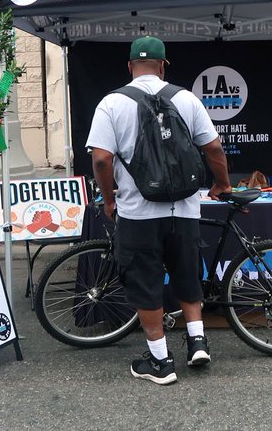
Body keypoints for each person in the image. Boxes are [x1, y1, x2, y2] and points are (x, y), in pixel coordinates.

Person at [86, 36, 231, 386]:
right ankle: (197, 341)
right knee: (186, 273)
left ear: (129, 66)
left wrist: (109, 199)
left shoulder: (111, 103)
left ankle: (161, 362)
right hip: (184, 208)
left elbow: (102, 159)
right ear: (164, 65)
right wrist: (222, 184)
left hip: (138, 212)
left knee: (145, 283)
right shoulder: (185, 98)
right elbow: (213, 147)